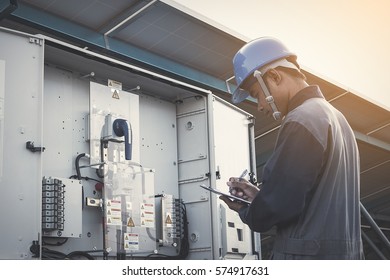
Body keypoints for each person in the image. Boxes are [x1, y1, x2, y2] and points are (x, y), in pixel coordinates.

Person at [220, 37, 364, 260]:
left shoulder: (302, 120)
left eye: (257, 95)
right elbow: (310, 199)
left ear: (275, 76)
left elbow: (277, 206)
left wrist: (246, 209)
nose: (259, 106)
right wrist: (259, 196)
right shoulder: (337, 119)